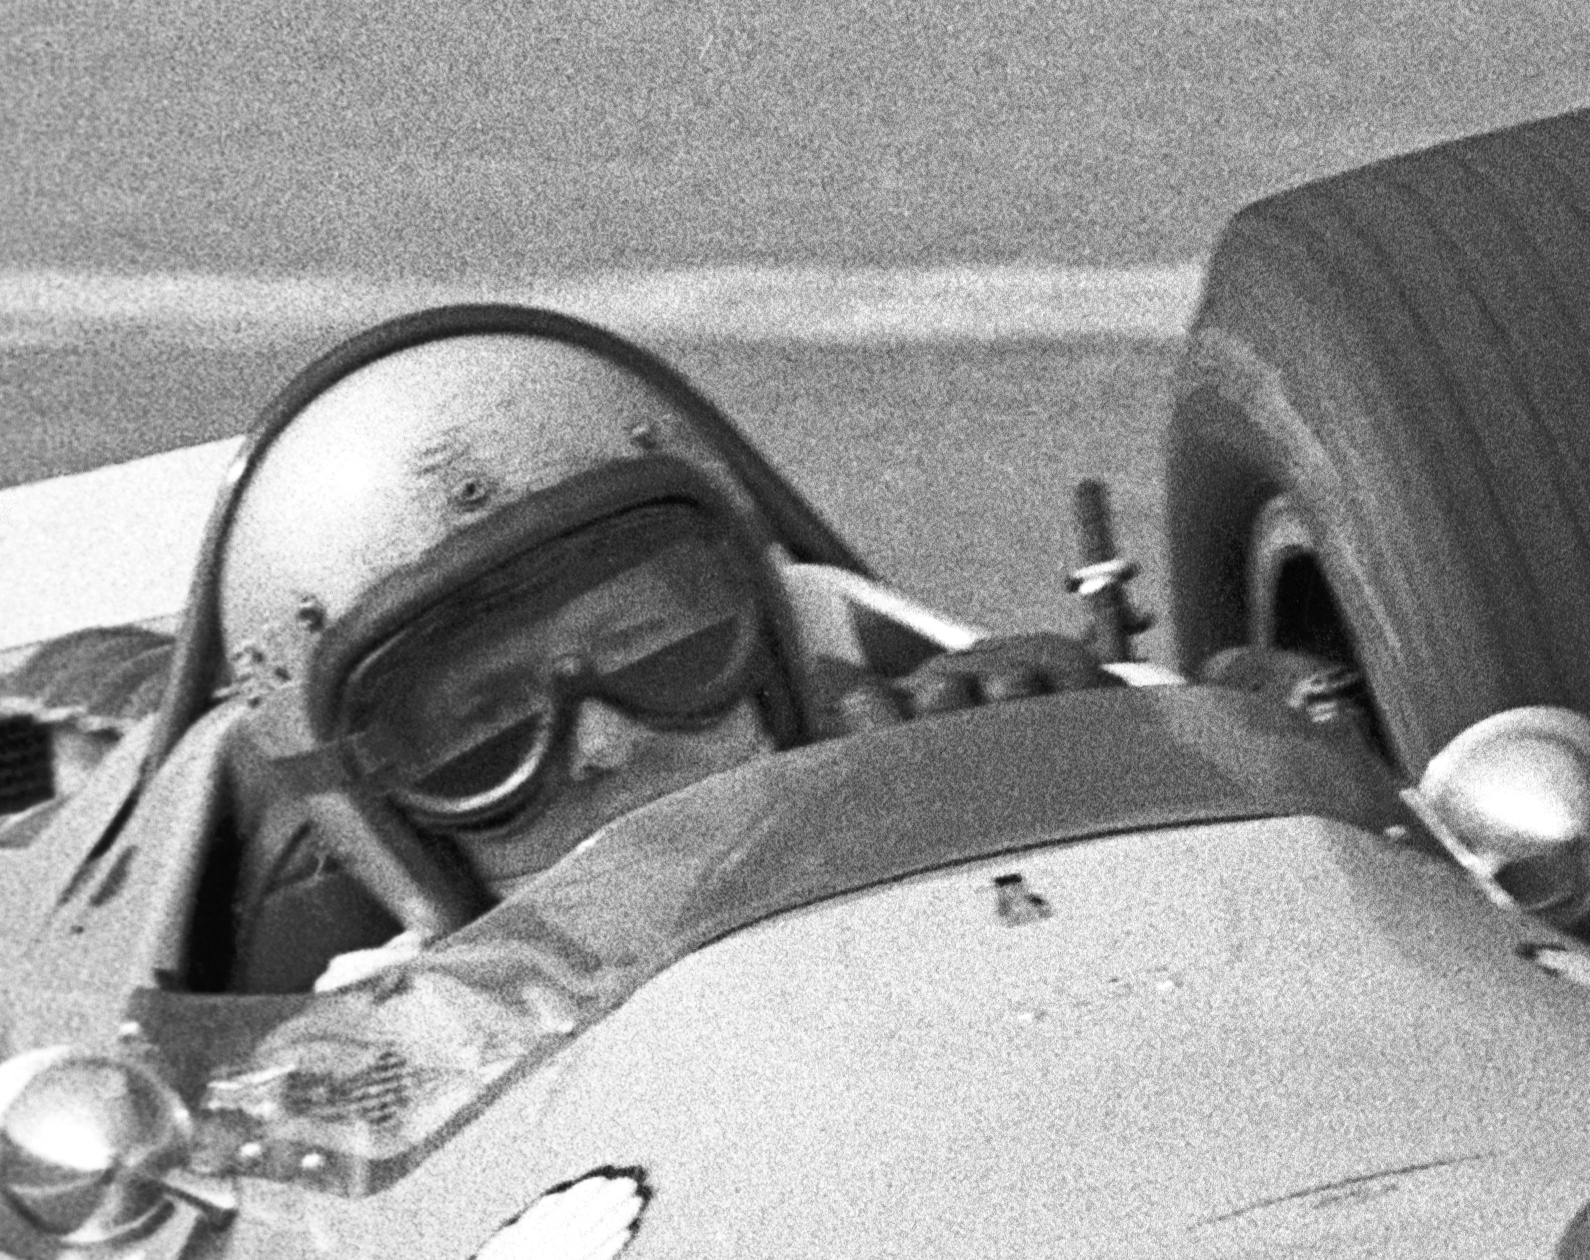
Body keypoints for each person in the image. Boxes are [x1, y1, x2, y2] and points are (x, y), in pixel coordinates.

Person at [175, 311, 1104, 979]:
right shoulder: (361, 1095)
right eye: (488, 722)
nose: (606, 745)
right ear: (378, 817)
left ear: (770, 645)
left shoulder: (929, 799)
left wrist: (1104, 768)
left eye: (648, 647)